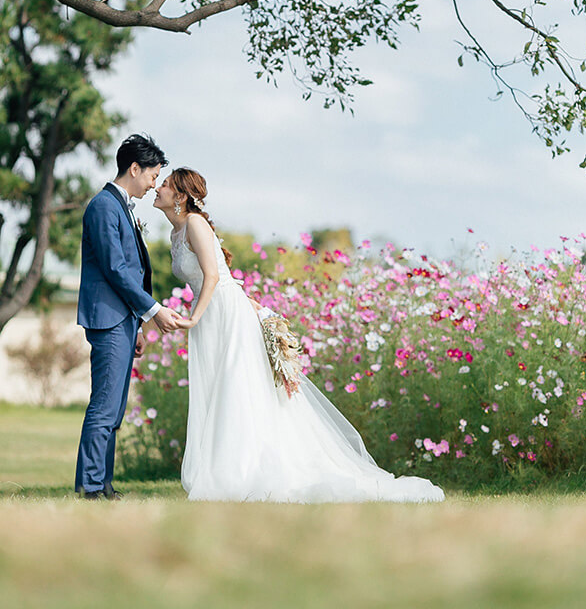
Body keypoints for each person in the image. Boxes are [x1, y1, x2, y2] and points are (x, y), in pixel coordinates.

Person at [153, 167, 445, 503]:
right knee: (218, 387)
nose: (157, 189)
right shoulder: (176, 233)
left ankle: (241, 470)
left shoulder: (195, 224)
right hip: (210, 316)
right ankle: (226, 466)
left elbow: (215, 277)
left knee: (235, 387)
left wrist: (194, 319)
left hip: (224, 313)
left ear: (181, 196)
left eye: (164, 184)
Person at [75, 134, 182, 500]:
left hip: (122, 320)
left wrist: (136, 323)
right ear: (134, 168)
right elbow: (116, 269)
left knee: (114, 409)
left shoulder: (120, 206)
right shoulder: (104, 206)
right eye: (153, 174)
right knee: (104, 405)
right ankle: (91, 486)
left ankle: (103, 485)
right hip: (107, 320)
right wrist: (153, 310)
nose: (154, 182)